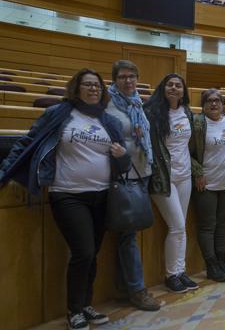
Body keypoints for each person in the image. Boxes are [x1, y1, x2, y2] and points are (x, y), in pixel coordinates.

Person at [0, 69, 130, 330]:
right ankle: (74, 310)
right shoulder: (59, 114)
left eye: (97, 85)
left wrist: (122, 155)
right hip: (68, 194)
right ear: (76, 88)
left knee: (92, 254)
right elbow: (26, 143)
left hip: (103, 195)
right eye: (87, 85)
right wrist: (4, 172)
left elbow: (124, 165)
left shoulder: (109, 122)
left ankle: (86, 305)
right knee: (83, 252)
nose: (93, 89)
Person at [105, 60, 160, 311]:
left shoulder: (138, 101)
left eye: (132, 76)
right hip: (123, 175)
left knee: (129, 233)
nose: (128, 81)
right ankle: (137, 290)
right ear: (115, 79)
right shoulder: (106, 102)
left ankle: (123, 286)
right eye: (123, 77)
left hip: (143, 172)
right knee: (128, 235)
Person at [144, 73, 197, 293]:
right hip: (162, 177)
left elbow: (190, 146)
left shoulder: (186, 112)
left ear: (183, 91)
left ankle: (180, 271)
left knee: (180, 226)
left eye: (178, 85)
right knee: (177, 225)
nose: (174, 88)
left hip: (185, 176)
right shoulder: (152, 113)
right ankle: (171, 275)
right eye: (170, 85)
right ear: (163, 88)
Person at [189, 89, 225, 282]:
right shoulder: (198, 123)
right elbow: (187, 152)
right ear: (203, 105)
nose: (214, 104)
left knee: (221, 224)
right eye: (209, 101)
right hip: (207, 184)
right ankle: (211, 266)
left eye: (217, 100)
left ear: (222, 103)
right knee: (208, 226)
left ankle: (222, 261)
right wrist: (198, 173)